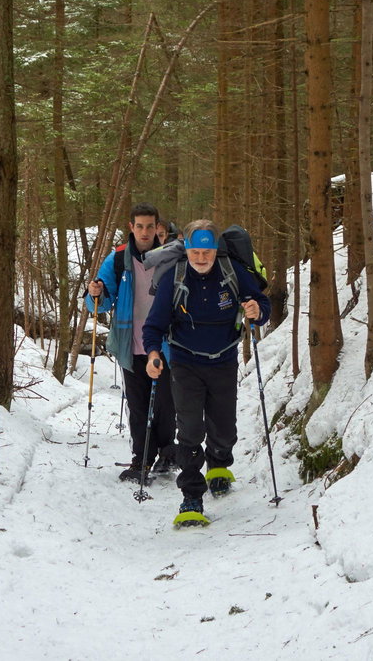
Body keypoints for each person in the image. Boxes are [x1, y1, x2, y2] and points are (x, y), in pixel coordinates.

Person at [142, 219, 270, 525]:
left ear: (215, 251)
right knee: (189, 431)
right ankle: (191, 497)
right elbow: (153, 325)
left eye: (207, 252)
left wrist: (256, 310)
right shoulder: (176, 276)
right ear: (187, 250)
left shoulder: (232, 272)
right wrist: (153, 354)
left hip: (224, 360)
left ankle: (219, 465)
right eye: (196, 252)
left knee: (224, 427)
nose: (201, 258)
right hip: (185, 363)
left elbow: (262, 304)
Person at [86, 203, 176, 482]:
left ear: (158, 227)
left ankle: (166, 453)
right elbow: (100, 303)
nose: (145, 231)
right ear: (131, 227)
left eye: (150, 226)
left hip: (167, 344)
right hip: (131, 342)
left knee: (165, 403)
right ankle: (142, 458)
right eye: (140, 226)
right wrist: (94, 293)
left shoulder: (171, 257)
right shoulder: (118, 259)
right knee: (137, 405)